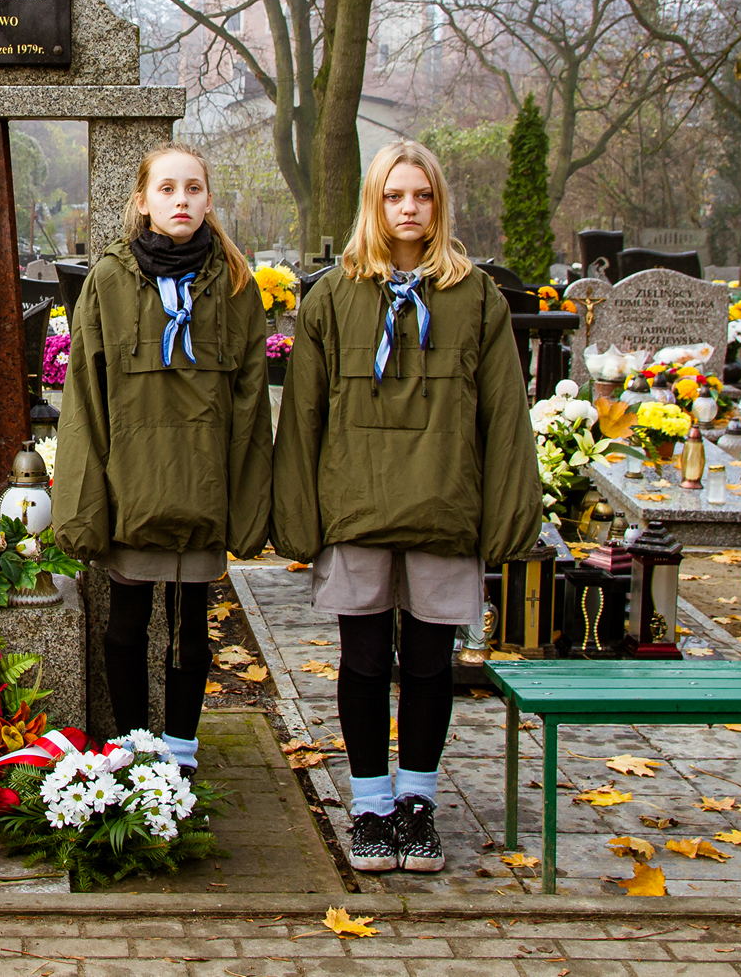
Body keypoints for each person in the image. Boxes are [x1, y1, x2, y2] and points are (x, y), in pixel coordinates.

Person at [272, 140, 540, 873]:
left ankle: (417, 802)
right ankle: (369, 802)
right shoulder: (332, 296)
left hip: (444, 503)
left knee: (428, 661)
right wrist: (295, 517)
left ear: (438, 203)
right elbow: (302, 419)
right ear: (374, 202)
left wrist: (513, 513)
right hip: (357, 504)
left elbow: (505, 414)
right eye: (395, 196)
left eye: (421, 195)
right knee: (362, 659)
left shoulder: (476, 296)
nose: (409, 208)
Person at [53, 143, 274, 774]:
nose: (182, 200)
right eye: (169, 189)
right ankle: (134, 751)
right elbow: (87, 398)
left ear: (209, 199)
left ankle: (180, 754)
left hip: (201, 488)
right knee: (127, 623)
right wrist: (87, 498)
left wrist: (244, 496)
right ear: (143, 201)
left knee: (190, 631)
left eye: (195, 189)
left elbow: (251, 401)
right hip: (132, 487)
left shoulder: (233, 285)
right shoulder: (110, 281)